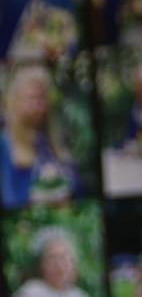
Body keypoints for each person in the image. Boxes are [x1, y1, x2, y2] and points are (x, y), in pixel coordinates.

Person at [0, 63, 82, 208]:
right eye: (32, 98)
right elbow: (11, 200)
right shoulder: (4, 145)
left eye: (42, 98)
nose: (38, 106)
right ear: (14, 102)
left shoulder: (50, 142)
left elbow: (76, 187)